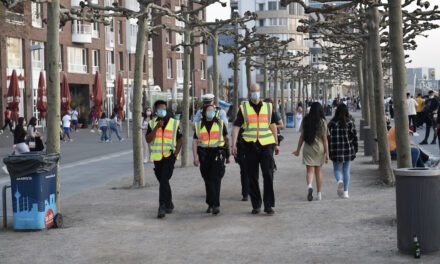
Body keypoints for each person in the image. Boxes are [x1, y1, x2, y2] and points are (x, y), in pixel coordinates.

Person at [231, 83, 280, 215]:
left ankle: (269, 205)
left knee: (268, 175)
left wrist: (276, 143)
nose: (255, 93)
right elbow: (236, 126)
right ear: (249, 93)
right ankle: (256, 205)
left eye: (257, 91)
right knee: (252, 176)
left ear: (260, 92)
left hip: (266, 145)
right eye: (253, 91)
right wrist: (233, 144)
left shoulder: (268, 107)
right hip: (250, 145)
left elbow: (273, 125)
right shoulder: (244, 108)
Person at [146, 100, 182, 219]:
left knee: (164, 180)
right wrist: (157, 127)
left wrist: (175, 154)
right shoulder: (151, 124)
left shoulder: (174, 123)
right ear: (156, 110)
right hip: (157, 158)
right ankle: (169, 204)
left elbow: (180, 139)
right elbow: (148, 139)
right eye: (160, 108)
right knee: (163, 181)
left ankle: (161, 206)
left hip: (169, 156)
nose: (162, 110)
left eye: (164, 108)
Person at [193, 104, 230, 215]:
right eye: (209, 110)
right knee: (207, 180)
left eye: (212, 110)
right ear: (204, 113)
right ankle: (210, 203)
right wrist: (195, 157)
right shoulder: (199, 125)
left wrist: (228, 155)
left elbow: (226, 139)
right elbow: (195, 141)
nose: (211, 111)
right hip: (204, 155)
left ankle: (215, 205)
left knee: (216, 179)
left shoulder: (220, 124)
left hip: (217, 153)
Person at [293, 102, 329, 201]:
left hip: (308, 148)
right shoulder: (322, 122)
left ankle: (309, 186)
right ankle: (319, 194)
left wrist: (297, 150)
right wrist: (327, 154)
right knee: (318, 171)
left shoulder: (306, 120)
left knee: (310, 171)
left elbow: (301, 137)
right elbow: (325, 139)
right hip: (320, 149)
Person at [328, 104, 358, 199]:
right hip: (347, 149)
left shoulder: (332, 123)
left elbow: (327, 137)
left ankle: (339, 181)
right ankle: (346, 192)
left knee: (337, 169)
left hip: (335, 149)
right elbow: (354, 137)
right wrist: (355, 149)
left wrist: (327, 149)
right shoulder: (350, 122)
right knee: (346, 170)